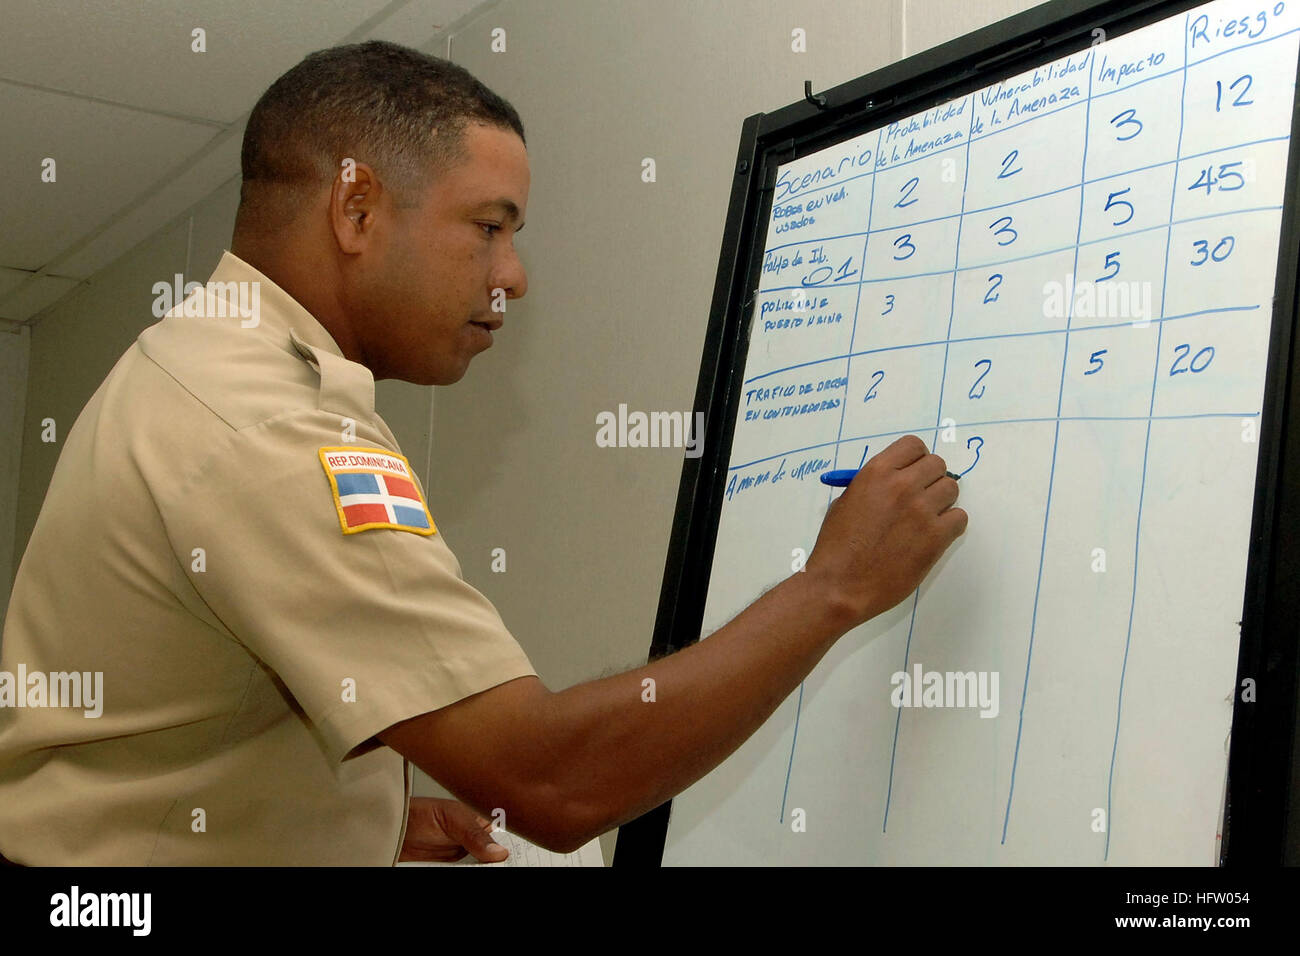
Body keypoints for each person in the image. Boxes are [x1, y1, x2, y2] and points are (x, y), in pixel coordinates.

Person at [0, 40, 966, 866]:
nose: (514, 276)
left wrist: (353, 828)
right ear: (357, 211)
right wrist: (833, 587)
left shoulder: (208, 363)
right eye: (489, 227)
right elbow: (552, 782)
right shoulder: (272, 430)